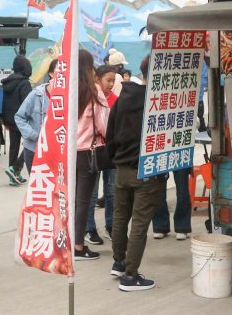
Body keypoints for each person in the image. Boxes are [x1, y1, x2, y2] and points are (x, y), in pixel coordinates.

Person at [105, 56, 164, 291]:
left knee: (121, 217)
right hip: (147, 172)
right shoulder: (160, 101)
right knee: (139, 223)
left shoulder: (123, 98)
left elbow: (110, 133)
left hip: (122, 169)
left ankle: (119, 262)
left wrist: (117, 159)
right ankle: (130, 275)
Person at [70, 49, 110, 262]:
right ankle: (78, 246)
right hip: (88, 153)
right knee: (83, 201)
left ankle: (67, 242)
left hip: (67, 154)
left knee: (69, 200)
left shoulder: (66, 89)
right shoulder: (93, 90)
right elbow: (104, 124)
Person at [85, 64, 119, 246]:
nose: (112, 84)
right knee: (91, 192)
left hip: (112, 151)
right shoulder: (91, 98)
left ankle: (111, 226)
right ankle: (89, 228)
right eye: (108, 80)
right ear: (97, 79)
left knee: (112, 191)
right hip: (94, 151)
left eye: (114, 80)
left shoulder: (116, 99)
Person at [15, 59, 56, 173]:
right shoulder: (37, 94)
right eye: (58, 72)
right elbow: (19, 117)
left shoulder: (70, 97)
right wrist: (34, 135)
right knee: (38, 188)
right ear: (51, 73)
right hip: (34, 149)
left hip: (58, 151)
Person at [0, 55, 33, 186]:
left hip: (10, 119)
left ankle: (13, 175)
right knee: (30, 145)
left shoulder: (8, 82)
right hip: (23, 120)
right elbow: (28, 103)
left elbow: (5, 102)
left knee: (14, 146)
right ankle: (16, 168)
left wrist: (4, 119)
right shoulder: (24, 83)